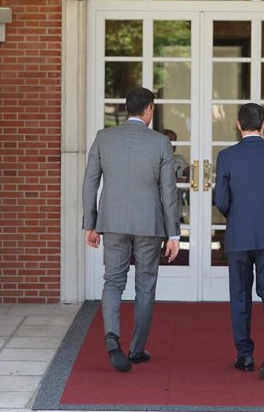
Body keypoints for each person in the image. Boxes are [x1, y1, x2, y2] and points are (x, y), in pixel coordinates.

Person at [82, 87, 180, 373]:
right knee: (145, 285)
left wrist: (90, 223)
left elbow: (90, 183)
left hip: (112, 221)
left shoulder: (104, 137)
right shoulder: (161, 142)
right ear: (149, 109)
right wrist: (173, 234)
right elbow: (169, 190)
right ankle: (137, 349)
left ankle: (112, 336)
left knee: (113, 281)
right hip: (149, 223)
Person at [213, 103, 264, 380]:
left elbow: (220, 199)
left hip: (240, 233)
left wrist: (236, 215)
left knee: (240, 295)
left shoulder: (227, 156)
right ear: (263, 123)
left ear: (238, 124)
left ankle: (245, 355)